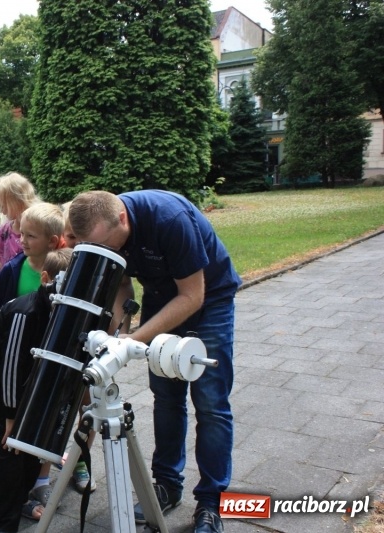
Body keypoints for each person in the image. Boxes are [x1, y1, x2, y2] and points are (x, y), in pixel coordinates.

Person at [68, 190, 242, 533]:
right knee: (166, 398)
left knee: (210, 403)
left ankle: (210, 504)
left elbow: (193, 295)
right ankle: (166, 486)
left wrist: (135, 340)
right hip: (163, 298)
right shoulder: (107, 230)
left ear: (122, 218)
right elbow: (121, 284)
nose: (109, 251)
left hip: (209, 300)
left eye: (109, 244)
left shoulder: (169, 219)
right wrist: (118, 332)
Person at [0, 249, 73, 533]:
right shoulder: (25, 312)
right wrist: (11, 418)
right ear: (45, 279)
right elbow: (10, 367)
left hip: (19, 379)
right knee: (9, 448)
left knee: (28, 448)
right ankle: (2, 525)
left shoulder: (62, 310)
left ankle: (18, 498)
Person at [0, 202, 64, 324]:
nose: (23, 240)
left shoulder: (64, 273)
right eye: (22, 233)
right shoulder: (12, 269)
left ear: (52, 241)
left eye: (30, 236)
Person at [0, 172, 38, 268]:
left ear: (18, 202)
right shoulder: (3, 230)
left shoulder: (38, 229)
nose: (1, 211)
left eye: (4, 206)